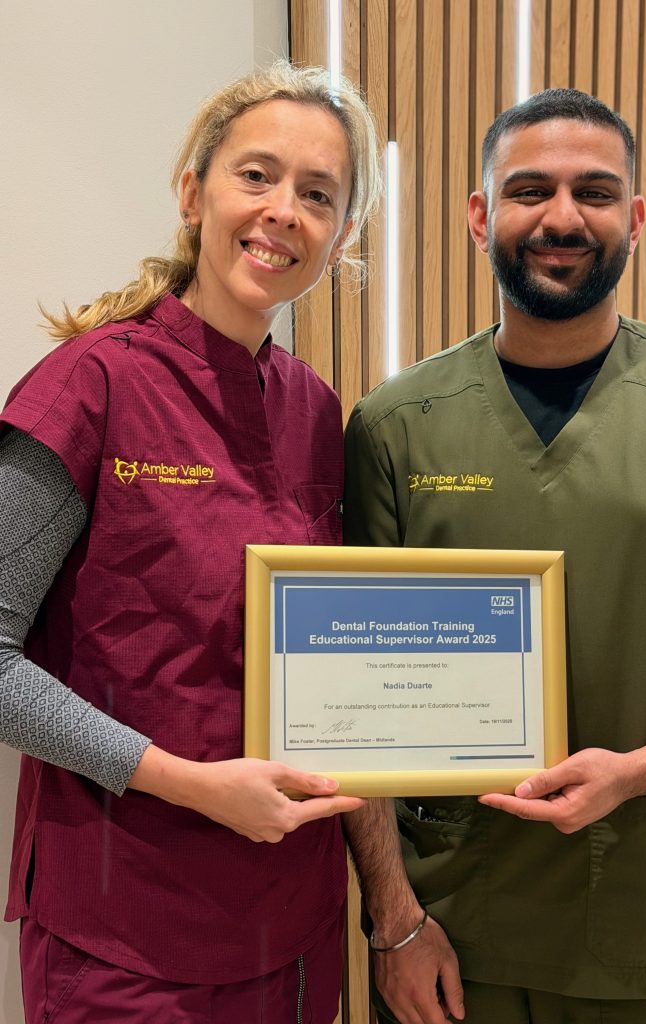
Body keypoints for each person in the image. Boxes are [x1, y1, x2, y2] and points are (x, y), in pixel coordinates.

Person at [343, 88, 646, 1024]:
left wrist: (637, 769)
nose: (563, 217)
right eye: (530, 190)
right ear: (480, 215)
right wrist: (394, 920)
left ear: (638, 218)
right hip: (451, 928)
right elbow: (354, 702)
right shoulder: (396, 426)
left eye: (597, 191)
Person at [0, 61, 381, 1023]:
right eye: (256, 175)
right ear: (191, 191)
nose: (283, 211)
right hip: (127, 939)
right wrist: (187, 783)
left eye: (318, 195)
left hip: (294, 930)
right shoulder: (90, 385)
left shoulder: (316, 412)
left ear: (339, 239)